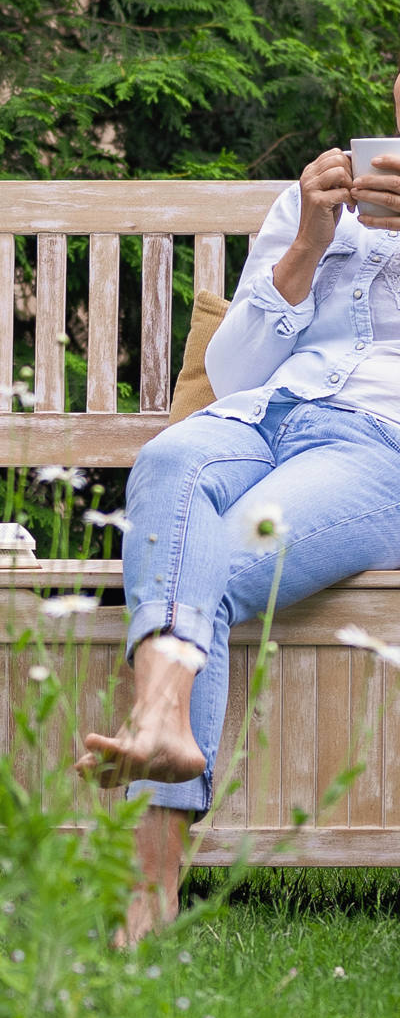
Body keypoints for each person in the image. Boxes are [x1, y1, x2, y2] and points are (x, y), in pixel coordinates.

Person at [76, 78, 400, 943]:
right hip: (261, 419)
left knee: (207, 555)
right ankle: (163, 723)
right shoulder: (311, 200)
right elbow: (235, 375)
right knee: (172, 454)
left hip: (375, 449)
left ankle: (148, 883)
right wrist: (307, 243)